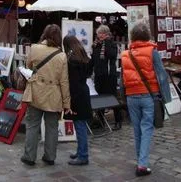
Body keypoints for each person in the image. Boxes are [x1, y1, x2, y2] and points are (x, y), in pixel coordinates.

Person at [121, 23, 171, 177]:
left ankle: (140, 160)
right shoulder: (152, 51)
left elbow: (122, 78)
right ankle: (142, 164)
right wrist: (166, 97)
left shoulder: (125, 54)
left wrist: (124, 95)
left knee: (137, 129)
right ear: (147, 35)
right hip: (149, 95)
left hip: (131, 96)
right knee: (147, 128)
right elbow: (161, 74)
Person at [21, 24, 71, 166]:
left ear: (44, 34)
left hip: (36, 92)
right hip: (53, 95)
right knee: (52, 127)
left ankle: (29, 156)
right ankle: (50, 156)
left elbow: (29, 65)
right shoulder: (61, 56)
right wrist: (66, 103)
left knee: (32, 126)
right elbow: (64, 81)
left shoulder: (35, 48)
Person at [63, 35, 92, 166]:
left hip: (77, 95)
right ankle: (80, 151)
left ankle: (83, 155)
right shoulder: (83, 56)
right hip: (83, 91)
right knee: (80, 125)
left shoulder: (72, 60)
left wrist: (70, 101)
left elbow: (73, 83)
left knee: (80, 126)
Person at [90, 24, 122, 130]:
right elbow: (93, 59)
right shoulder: (96, 45)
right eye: (98, 33)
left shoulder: (111, 44)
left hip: (109, 75)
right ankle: (101, 121)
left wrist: (106, 41)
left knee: (112, 98)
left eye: (100, 33)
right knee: (99, 98)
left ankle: (118, 121)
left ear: (105, 34)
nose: (98, 35)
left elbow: (111, 55)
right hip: (99, 75)